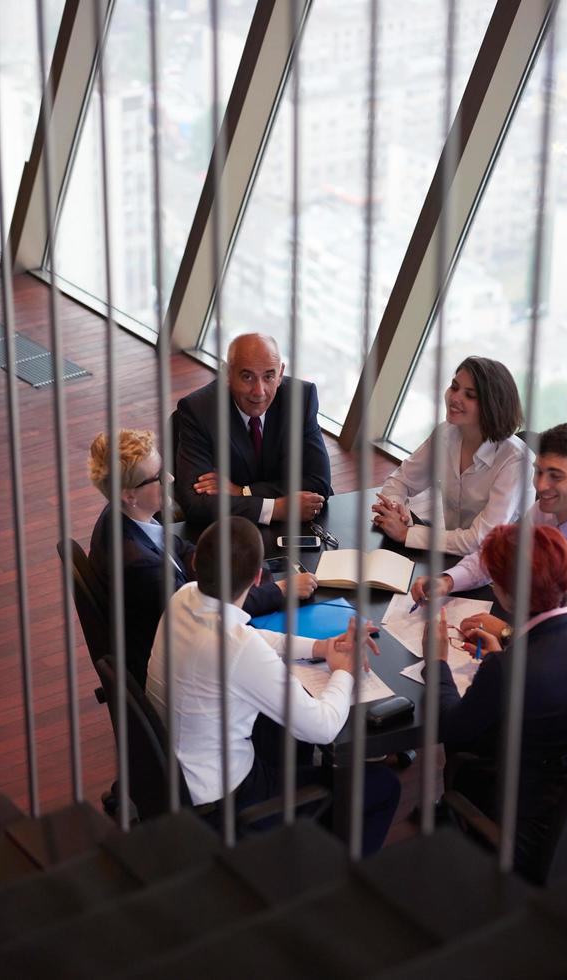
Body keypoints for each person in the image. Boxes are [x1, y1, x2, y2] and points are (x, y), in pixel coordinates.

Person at [146, 517, 401, 856]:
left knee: (281, 731)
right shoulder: (235, 647)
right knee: (383, 787)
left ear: (195, 563)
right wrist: (345, 671)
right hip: (227, 801)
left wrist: (320, 648)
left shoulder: (183, 597)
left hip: (180, 775)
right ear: (256, 578)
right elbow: (322, 727)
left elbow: (252, 635)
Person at [413, 423, 567, 717]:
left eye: (556, 476)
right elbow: (498, 554)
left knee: (479, 711)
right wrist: (448, 581)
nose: (541, 486)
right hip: (554, 641)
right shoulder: (547, 508)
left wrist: (509, 634)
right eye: (539, 471)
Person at [428, 523, 567, 881]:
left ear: (506, 594)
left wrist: (437, 662)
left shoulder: (507, 670)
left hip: (521, 813)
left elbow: (449, 725)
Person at [88, 429, 318, 688]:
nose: (170, 477)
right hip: (181, 672)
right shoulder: (142, 567)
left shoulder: (122, 517)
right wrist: (279, 590)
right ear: (129, 495)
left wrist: (226, 571)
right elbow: (205, 616)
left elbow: (182, 549)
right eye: (158, 477)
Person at [372, 356, 534, 555]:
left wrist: (407, 534)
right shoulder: (447, 433)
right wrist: (396, 509)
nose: (455, 398)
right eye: (454, 387)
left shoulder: (516, 460)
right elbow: (401, 480)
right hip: (450, 551)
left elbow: (481, 540)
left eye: (470, 395)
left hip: (496, 567)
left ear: (492, 405)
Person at [175, 333, 332, 529]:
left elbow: (318, 484)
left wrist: (243, 492)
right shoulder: (198, 410)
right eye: (247, 377)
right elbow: (197, 505)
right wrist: (276, 508)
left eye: (269, 376)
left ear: (281, 373)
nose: (259, 391)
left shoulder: (301, 398)